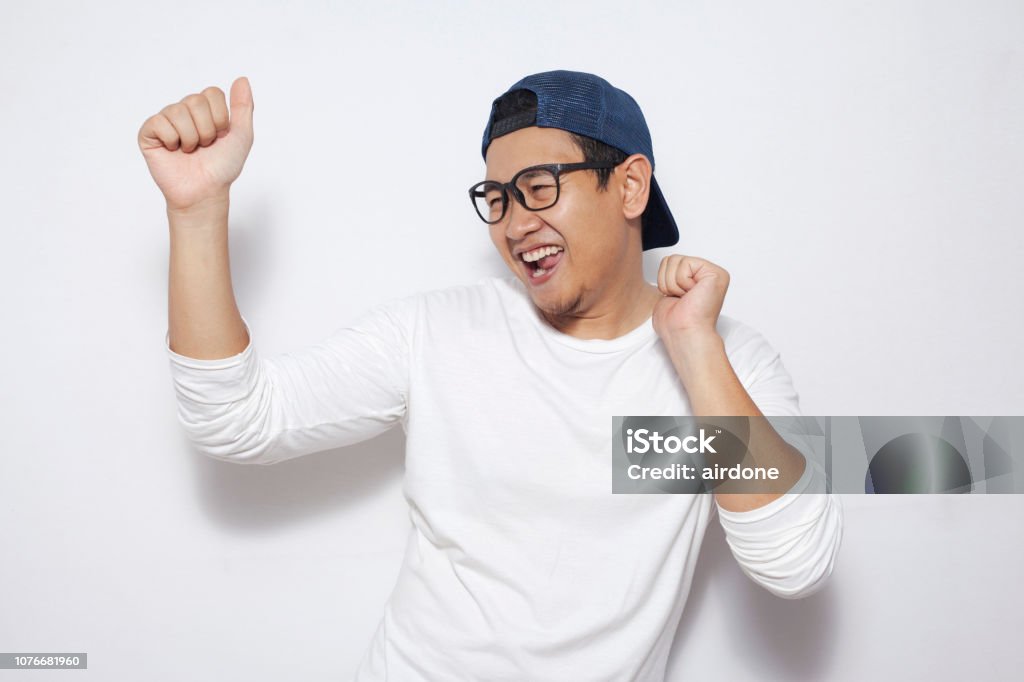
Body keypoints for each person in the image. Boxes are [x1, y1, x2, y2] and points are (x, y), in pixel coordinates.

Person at [138, 70, 843, 681]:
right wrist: (197, 212)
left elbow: (796, 564)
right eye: (497, 198)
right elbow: (235, 419)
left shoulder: (729, 362)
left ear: (629, 187)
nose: (511, 224)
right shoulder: (436, 333)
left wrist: (692, 345)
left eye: (539, 187)